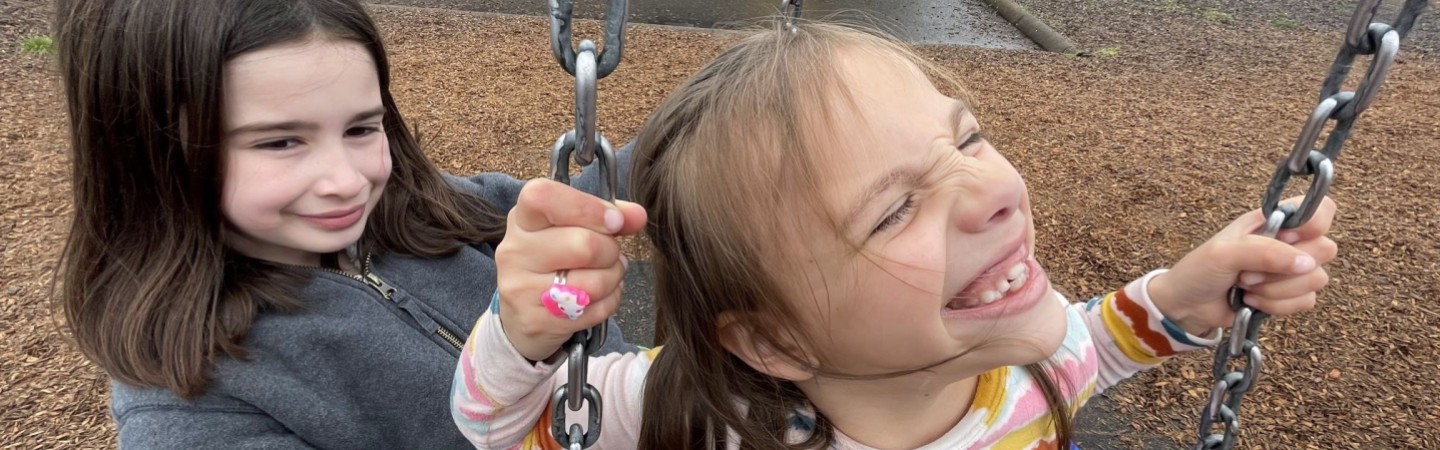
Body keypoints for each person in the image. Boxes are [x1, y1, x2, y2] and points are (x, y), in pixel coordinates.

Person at [452, 22, 1338, 449]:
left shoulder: (1022, 376)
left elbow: (1099, 343)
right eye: (893, 209)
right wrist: (528, 333)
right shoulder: (707, 416)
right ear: (774, 337)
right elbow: (502, 431)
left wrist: (1183, 297)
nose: (991, 190)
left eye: (968, 138)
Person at [51, 0, 644, 447]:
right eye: (281, 141)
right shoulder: (190, 405)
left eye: (362, 128)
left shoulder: (437, 212)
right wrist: (510, 348)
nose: (346, 179)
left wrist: (710, 128)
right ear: (148, 153)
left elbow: (591, 200)